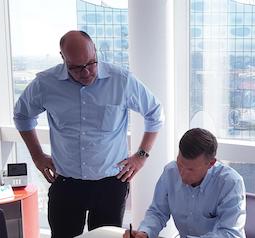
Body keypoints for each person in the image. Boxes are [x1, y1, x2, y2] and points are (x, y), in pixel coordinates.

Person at [13, 30, 164, 238]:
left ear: (95, 52)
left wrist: (141, 156)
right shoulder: (45, 84)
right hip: (66, 182)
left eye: (91, 63)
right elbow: (22, 116)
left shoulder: (121, 81)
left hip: (110, 183)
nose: (86, 72)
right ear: (63, 58)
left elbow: (155, 113)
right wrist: (37, 156)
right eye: (76, 67)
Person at [124, 128, 246, 238]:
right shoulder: (170, 172)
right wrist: (145, 232)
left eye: (191, 169)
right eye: (180, 164)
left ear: (211, 163)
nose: (182, 173)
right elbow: (158, 212)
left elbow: (229, 233)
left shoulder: (230, 183)